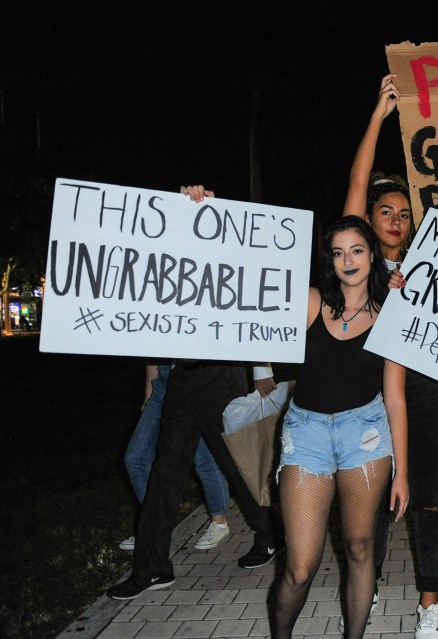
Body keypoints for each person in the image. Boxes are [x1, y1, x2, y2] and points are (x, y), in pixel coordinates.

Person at [106, 185, 283, 601]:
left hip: (221, 375)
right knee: (165, 473)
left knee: (235, 464)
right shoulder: (168, 258)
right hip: (182, 377)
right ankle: (152, 568)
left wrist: (261, 369)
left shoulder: (223, 252)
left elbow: (250, 298)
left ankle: (271, 535)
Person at [340, 73, 438, 639]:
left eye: (403, 213)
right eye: (385, 211)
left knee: (428, 499)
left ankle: (430, 602)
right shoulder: (358, 265)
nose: (394, 219)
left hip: (428, 395)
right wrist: (377, 118)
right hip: (371, 397)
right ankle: (373, 579)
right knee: (378, 496)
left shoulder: (428, 271)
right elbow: (356, 185)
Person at [272, 215, 409, 639]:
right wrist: (200, 213)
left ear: (373, 254)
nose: (348, 260)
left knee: (360, 547)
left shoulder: (392, 314)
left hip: (365, 436)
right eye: (338, 252)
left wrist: (402, 472)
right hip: (306, 434)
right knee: (299, 567)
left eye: (356, 250)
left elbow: (396, 398)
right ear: (329, 260)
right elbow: (247, 278)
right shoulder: (312, 301)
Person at [120, 362, 232, 552]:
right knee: (136, 458)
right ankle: (155, 527)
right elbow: (153, 351)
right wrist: (149, 391)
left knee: (203, 457)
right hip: (162, 385)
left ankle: (219, 521)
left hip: (193, 382)